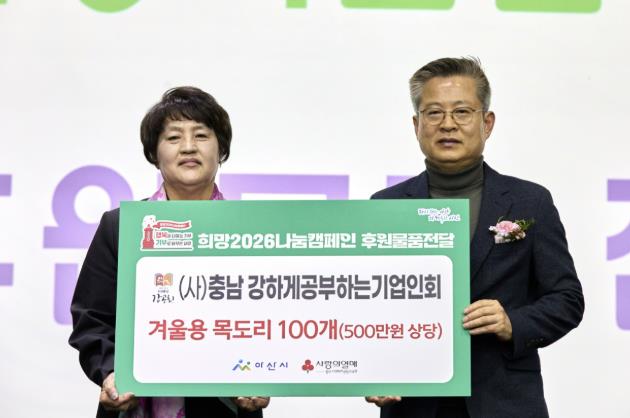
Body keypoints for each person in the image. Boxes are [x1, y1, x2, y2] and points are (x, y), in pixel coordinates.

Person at [366, 57, 584, 418]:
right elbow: (366, 309)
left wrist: (512, 322)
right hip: (414, 405)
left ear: (487, 123)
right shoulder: (385, 206)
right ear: (416, 125)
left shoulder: (530, 201)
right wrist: (372, 370)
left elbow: (567, 299)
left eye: (462, 111)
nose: (447, 124)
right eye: (433, 113)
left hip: (506, 403)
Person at [69, 87, 270, 418]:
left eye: (201, 135)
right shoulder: (122, 226)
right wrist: (111, 372)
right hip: (134, 404)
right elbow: (92, 318)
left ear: (221, 149)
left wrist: (263, 375)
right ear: (154, 152)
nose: (188, 147)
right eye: (174, 137)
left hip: (227, 408)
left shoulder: (252, 232)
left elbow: (274, 320)